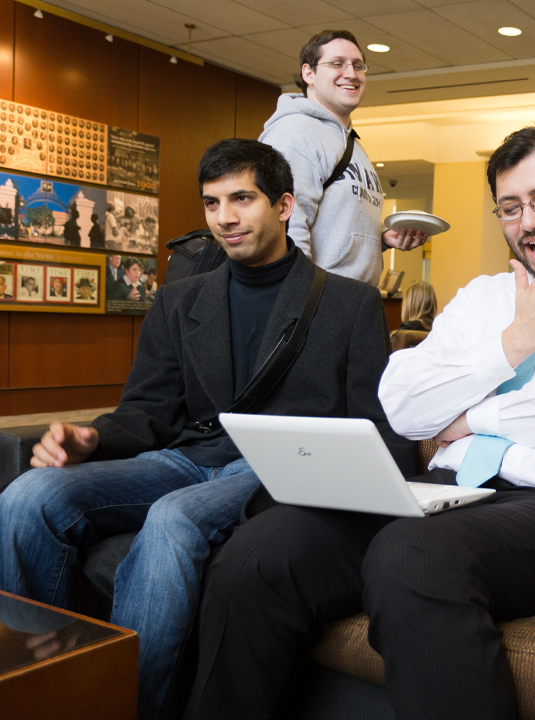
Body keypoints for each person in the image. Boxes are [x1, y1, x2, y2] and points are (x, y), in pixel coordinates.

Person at [183, 121, 535, 720]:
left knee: (411, 552)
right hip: (449, 492)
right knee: (258, 556)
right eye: (509, 207)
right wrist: (512, 343)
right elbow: (402, 403)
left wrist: (465, 418)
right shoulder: (482, 298)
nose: (528, 222)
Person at [0, 138, 410, 720]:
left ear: (285, 205)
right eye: (212, 203)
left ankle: (121, 705)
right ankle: (37, 689)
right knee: (27, 496)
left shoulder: (350, 305)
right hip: (186, 456)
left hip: (277, 468)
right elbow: (147, 410)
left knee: (175, 520)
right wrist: (93, 438)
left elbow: (377, 430)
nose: (225, 217)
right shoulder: (178, 301)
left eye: (242, 199)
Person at [260, 29, 426, 285]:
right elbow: (286, 226)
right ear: (309, 73)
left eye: (358, 66)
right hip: (317, 305)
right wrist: (298, 300)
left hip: (354, 301)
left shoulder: (352, 143)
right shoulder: (294, 132)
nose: (351, 74)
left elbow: (337, 225)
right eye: (337, 64)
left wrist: (380, 237)